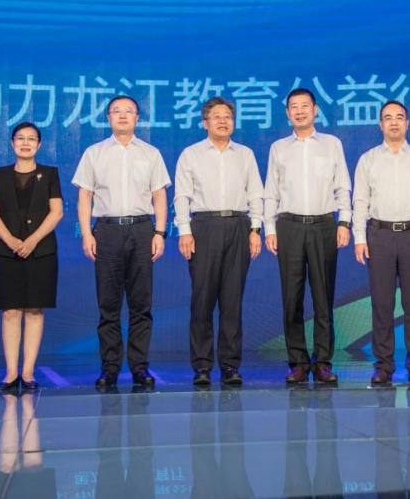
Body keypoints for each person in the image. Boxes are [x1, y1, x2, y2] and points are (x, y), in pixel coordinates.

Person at [73, 95, 170, 390]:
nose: (123, 115)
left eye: (129, 111)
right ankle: (110, 368)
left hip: (142, 229)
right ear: (108, 118)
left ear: (137, 117)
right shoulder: (94, 153)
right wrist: (87, 234)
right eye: (117, 111)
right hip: (107, 231)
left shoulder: (151, 153)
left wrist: (160, 233)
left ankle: (140, 368)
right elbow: (85, 196)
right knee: (109, 304)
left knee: (141, 304)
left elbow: (159, 195)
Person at [174, 97, 264, 387]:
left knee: (232, 300)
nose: (223, 121)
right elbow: (182, 196)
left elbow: (255, 194)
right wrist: (184, 231)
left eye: (228, 116)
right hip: (203, 227)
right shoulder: (191, 154)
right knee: (202, 299)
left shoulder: (245, 154)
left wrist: (255, 229)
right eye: (217, 117)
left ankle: (230, 365)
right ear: (205, 123)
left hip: (238, 225)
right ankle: (202, 365)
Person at [352, 100, 410, 386]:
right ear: (380, 124)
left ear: (408, 123)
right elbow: (360, 201)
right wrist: (359, 238)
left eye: (399, 117)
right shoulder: (368, 159)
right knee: (382, 303)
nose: (394, 122)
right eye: (388, 118)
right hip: (379, 235)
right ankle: (383, 365)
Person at [264, 88, 352, 384]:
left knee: (323, 296)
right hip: (288, 226)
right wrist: (269, 228)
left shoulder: (331, 144)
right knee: (292, 297)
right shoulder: (279, 148)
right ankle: (298, 362)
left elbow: (342, 185)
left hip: (323, 225)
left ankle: (323, 362)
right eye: (294, 107)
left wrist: (344, 222)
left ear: (315, 110)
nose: (300, 111)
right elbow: (271, 191)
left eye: (305, 106)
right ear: (287, 113)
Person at [0, 122, 64, 393]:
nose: (25, 143)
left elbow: (56, 212)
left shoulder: (50, 174)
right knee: (10, 311)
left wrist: (32, 240)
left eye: (31, 139)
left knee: (34, 309)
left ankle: (28, 372)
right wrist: (10, 240)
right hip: (6, 251)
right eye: (20, 138)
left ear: (39, 145)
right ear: (12, 143)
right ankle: (10, 373)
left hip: (41, 251)